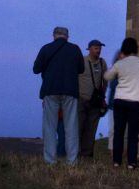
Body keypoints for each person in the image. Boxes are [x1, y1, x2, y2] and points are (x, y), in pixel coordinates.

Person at [33, 26, 85, 165]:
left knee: (50, 127)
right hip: (70, 91)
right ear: (67, 36)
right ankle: (72, 161)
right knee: (71, 126)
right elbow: (81, 69)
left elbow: (36, 69)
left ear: (54, 36)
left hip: (50, 90)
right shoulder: (75, 49)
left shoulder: (46, 48)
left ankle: (50, 161)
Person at [104, 37, 139, 169]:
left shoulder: (120, 63)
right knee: (133, 133)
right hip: (136, 101)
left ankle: (116, 161)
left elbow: (107, 76)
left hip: (120, 100)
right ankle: (131, 162)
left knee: (119, 132)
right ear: (136, 49)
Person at [78, 39, 107, 158]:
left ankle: (87, 155)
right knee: (78, 128)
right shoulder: (82, 61)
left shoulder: (102, 63)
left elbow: (105, 81)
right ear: (89, 49)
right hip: (81, 99)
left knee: (91, 130)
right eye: (96, 48)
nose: (98, 50)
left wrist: (103, 97)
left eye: (99, 48)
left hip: (95, 102)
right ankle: (75, 154)